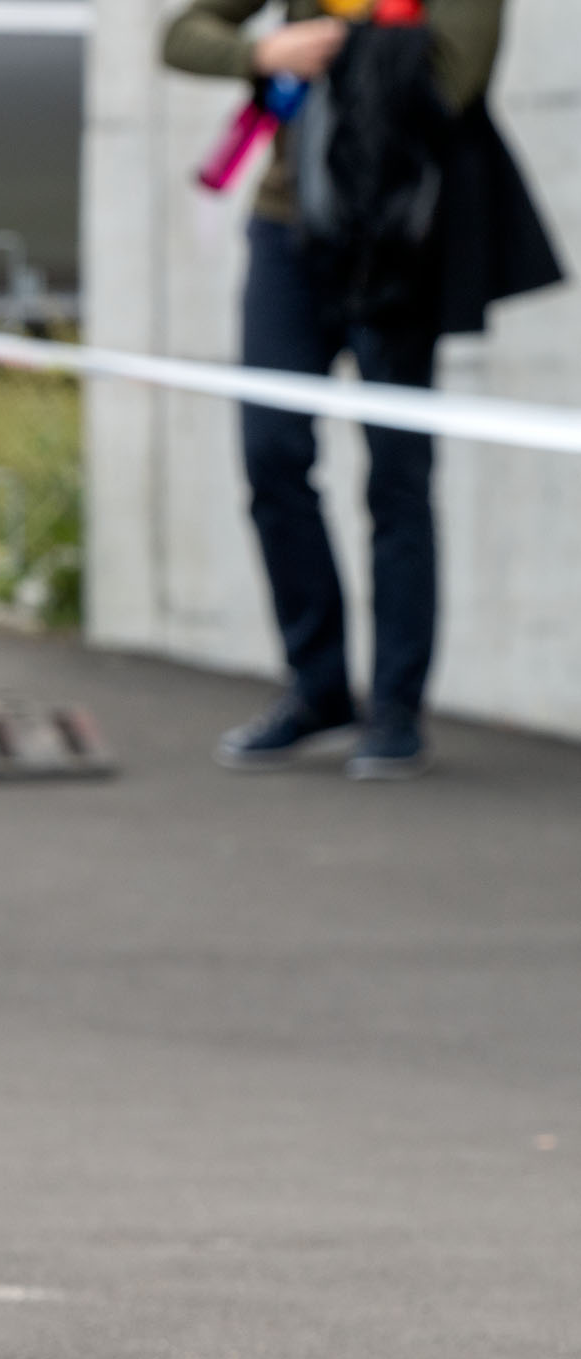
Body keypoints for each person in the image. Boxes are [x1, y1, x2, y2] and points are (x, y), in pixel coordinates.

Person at [165, 0, 547, 778]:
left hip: (399, 230)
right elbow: (183, 34)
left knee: (397, 477)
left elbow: (453, 76)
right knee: (271, 455)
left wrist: (334, 48)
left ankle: (396, 709)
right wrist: (263, 53)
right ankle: (318, 688)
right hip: (287, 227)